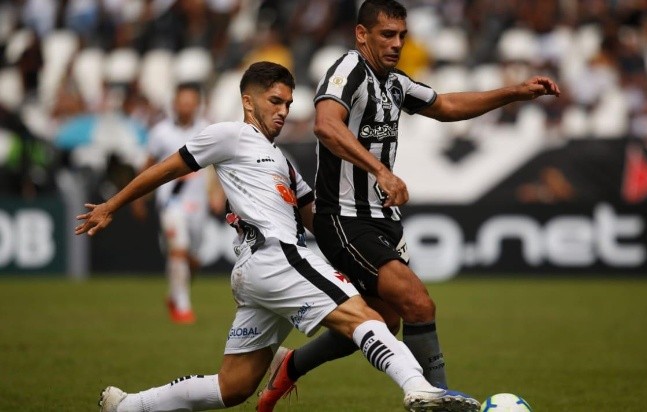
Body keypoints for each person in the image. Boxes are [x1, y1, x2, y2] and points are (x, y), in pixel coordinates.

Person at [76, 61, 480, 412]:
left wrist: (371, 231)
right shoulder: (230, 135)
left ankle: (129, 405)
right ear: (247, 101)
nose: (284, 111)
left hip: (258, 271)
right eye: (275, 101)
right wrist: (112, 205)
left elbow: (317, 218)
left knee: (233, 386)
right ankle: (419, 387)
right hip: (276, 256)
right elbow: (167, 168)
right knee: (366, 318)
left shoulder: (281, 162)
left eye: (288, 103)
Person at [256, 1, 560, 410]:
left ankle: (290, 365)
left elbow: (446, 106)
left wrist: (514, 93)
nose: (397, 43)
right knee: (418, 302)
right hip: (344, 217)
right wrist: (380, 171)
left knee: (381, 320)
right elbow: (326, 125)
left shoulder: (395, 83)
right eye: (387, 34)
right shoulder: (349, 69)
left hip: (382, 219)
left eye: (402, 35)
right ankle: (438, 399)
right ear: (362, 35)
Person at [131, 83, 219, 324]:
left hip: (198, 203)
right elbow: (148, 165)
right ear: (174, 104)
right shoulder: (161, 133)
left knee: (194, 259)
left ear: (198, 105)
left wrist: (216, 192)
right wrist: (138, 198)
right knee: (178, 248)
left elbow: (217, 165)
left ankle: (175, 294)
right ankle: (182, 306)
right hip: (171, 202)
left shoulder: (207, 131)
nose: (186, 108)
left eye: (190, 103)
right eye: (182, 102)